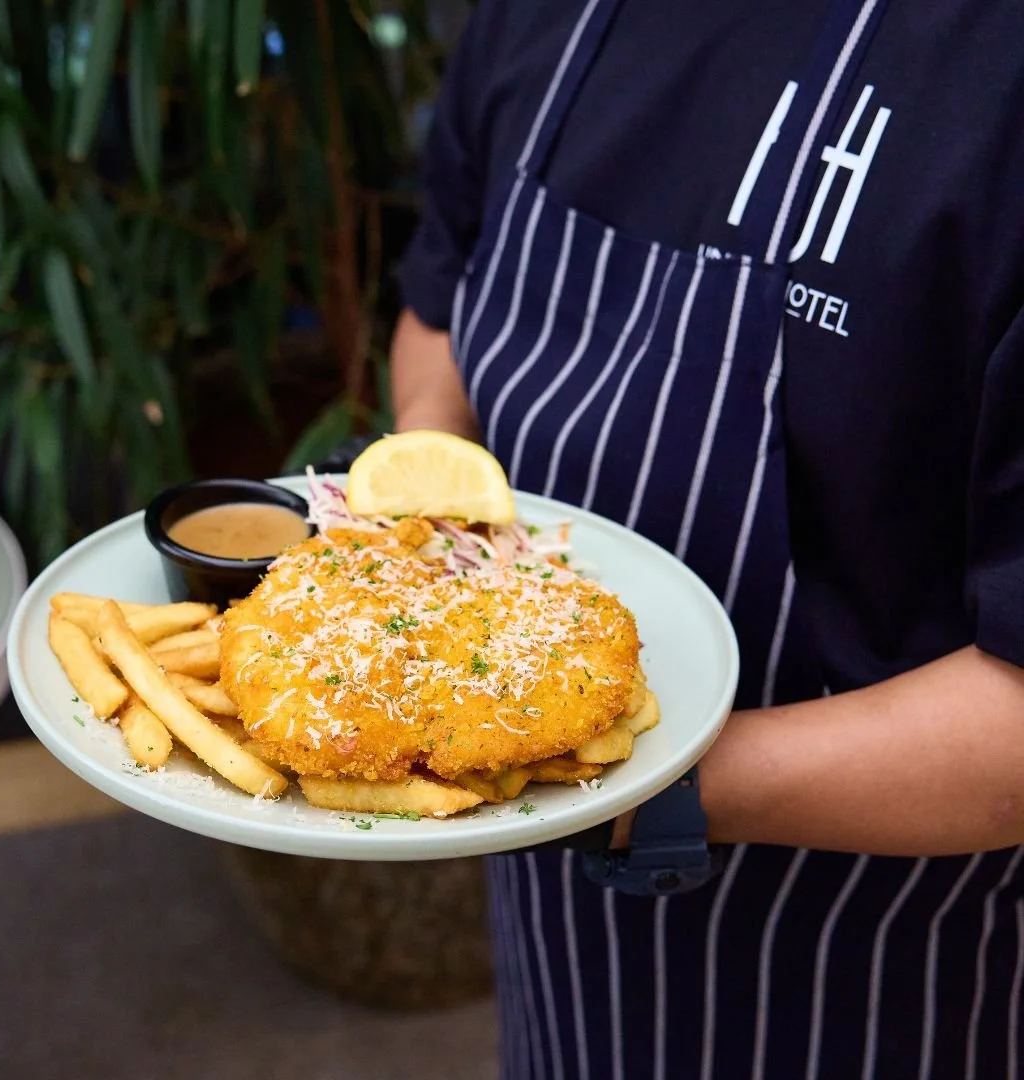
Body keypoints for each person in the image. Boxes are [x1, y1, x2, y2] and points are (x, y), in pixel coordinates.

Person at [390, 1, 1024, 1076]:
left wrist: (621, 777)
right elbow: (443, 303)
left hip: (884, 955)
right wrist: (421, 498)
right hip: (557, 922)